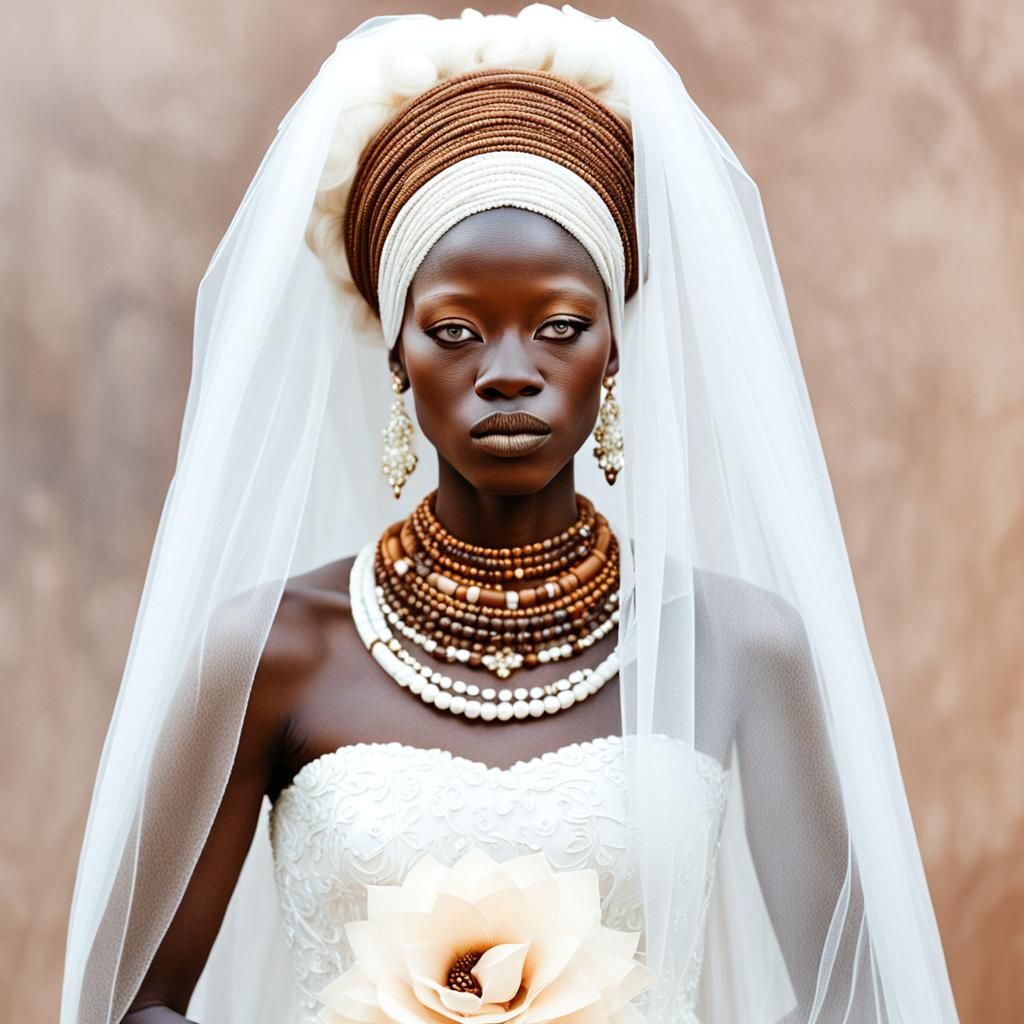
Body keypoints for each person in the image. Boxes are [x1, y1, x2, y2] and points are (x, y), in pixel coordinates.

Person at [59, 7, 960, 1024]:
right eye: (455, 330)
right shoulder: (270, 649)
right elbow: (125, 1002)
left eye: (560, 326)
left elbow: (854, 990)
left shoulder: (738, 643)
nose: (508, 374)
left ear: (612, 350)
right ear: (397, 354)